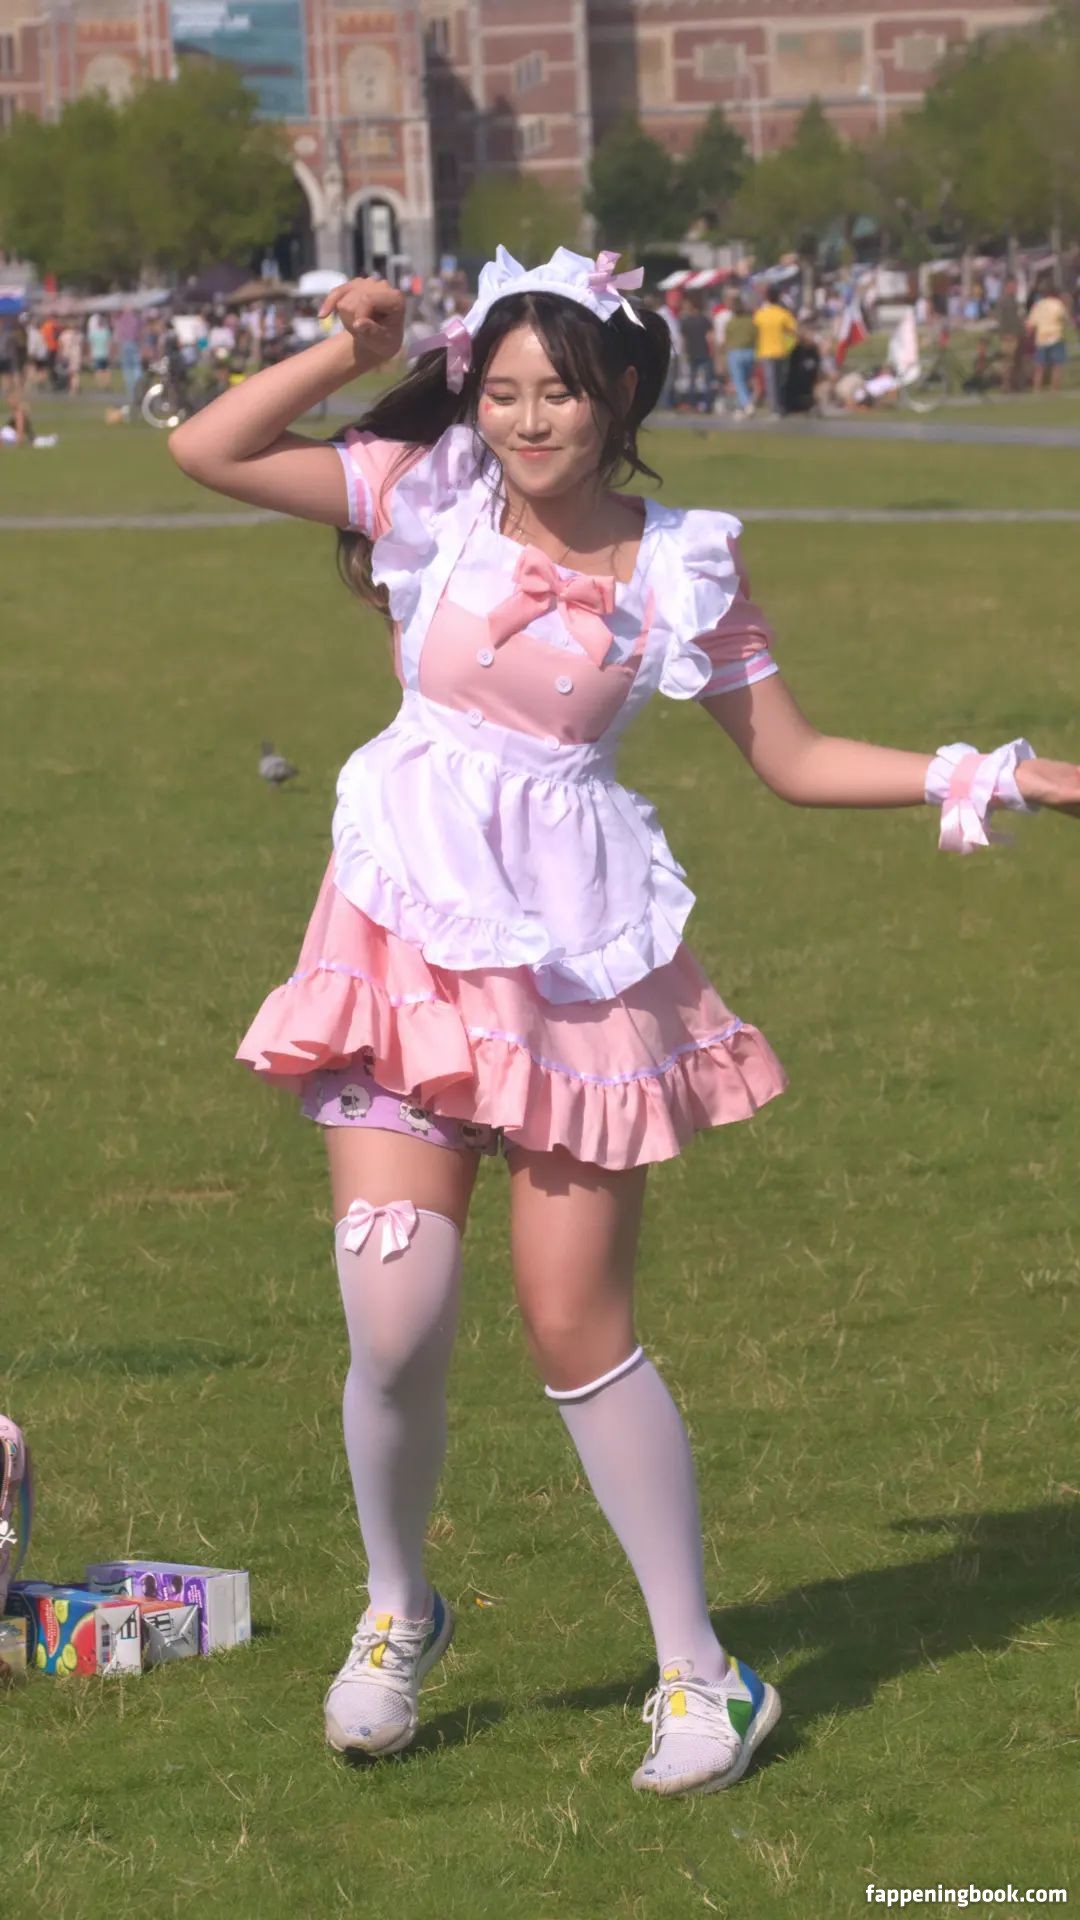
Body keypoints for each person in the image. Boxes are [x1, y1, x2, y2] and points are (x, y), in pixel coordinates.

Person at [164, 239, 1080, 1800]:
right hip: (402, 937)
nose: (529, 421)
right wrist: (351, 351)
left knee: (573, 1324)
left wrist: (987, 773)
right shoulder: (426, 496)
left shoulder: (681, 567)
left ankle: (702, 1674)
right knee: (394, 1316)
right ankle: (397, 1610)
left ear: (623, 396)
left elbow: (791, 758)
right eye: (503, 390)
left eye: (562, 393)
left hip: (584, 964)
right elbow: (208, 447)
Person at [751, 292, 797, 416]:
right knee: (780, 380)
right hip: (780, 350)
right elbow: (793, 330)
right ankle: (780, 405)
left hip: (766, 351)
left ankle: (774, 408)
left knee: (770, 381)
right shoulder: (783, 314)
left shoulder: (761, 314)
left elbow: (754, 328)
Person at [1026, 279, 1071, 393]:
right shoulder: (1058, 304)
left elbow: (1030, 325)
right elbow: (1065, 319)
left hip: (1041, 338)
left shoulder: (1038, 305)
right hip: (1055, 336)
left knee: (1039, 366)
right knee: (1057, 366)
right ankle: (1054, 389)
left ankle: (1037, 388)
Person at [678, 292, 715, 413]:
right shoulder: (705, 320)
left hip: (691, 352)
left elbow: (683, 339)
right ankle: (707, 404)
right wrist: (712, 351)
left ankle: (692, 403)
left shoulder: (686, 321)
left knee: (692, 380)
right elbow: (710, 337)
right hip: (704, 351)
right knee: (707, 380)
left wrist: (683, 353)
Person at [722, 294, 756, 417]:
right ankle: (742, 407)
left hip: (735, 353)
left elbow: (726, 341)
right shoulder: (751, 321)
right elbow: (755, 336)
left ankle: (747, 405)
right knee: (746, 381)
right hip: (750, 352)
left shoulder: (730, 323)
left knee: (738, 381)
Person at [781, 317, 821, 415]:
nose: (812, 335)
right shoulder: (796, 350)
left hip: (808, 390)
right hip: (795, 392)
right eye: (809, 333)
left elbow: (815, 372)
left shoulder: (814, 351)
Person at [995, 276, 1026, 392]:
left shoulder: (1015, 301)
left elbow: (1018, 318)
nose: (1015, 288)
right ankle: (1005, 384)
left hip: (1017, 335)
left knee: (1017, 362)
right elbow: (1000, 319)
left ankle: (1016, 384)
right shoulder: (1003, 301)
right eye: (1013, 286)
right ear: (1007, 287)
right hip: (1008, 336)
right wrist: (1004, 333)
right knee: (1007, 362)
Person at [87, 310, 112, 390]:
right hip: (104, 353)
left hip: (96, 354)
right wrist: (110, 353)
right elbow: (109, 344)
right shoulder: (106, 332)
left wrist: (90, 354)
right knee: (105, 370)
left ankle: (100, 384)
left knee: (98, 370)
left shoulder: (93, 333)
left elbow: (91, 345)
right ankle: (105, 384)